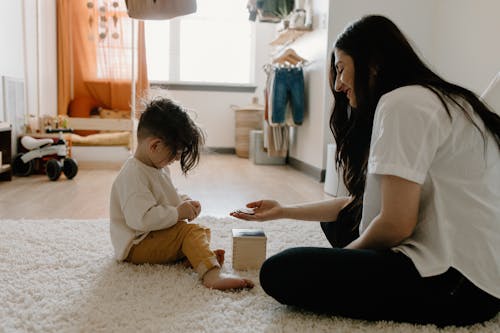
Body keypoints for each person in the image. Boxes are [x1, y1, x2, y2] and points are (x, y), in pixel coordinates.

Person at [231, 15, 499, 326]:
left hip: (458, 285)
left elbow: (396, 224)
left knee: (279, 271)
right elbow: (363, 203)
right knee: (336, 223)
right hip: (478, 274)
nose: (337, 83)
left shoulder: (402, 104)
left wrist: (348, 258)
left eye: (341, 68)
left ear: (372, 64)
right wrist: (283, 211)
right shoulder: (436, 98)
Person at [110, 98, 253, 290]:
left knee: (201, 232)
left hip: (149, 235)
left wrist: (186, 202)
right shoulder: (133, 175)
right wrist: (178, 213)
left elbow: (168, 196)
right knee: (190, 233)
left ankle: (194, 258)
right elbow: (141, 220)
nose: (176, 160)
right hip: (136, 244)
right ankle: (212, 276)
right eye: (174, 154)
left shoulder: (156, 166)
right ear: (155, 146)